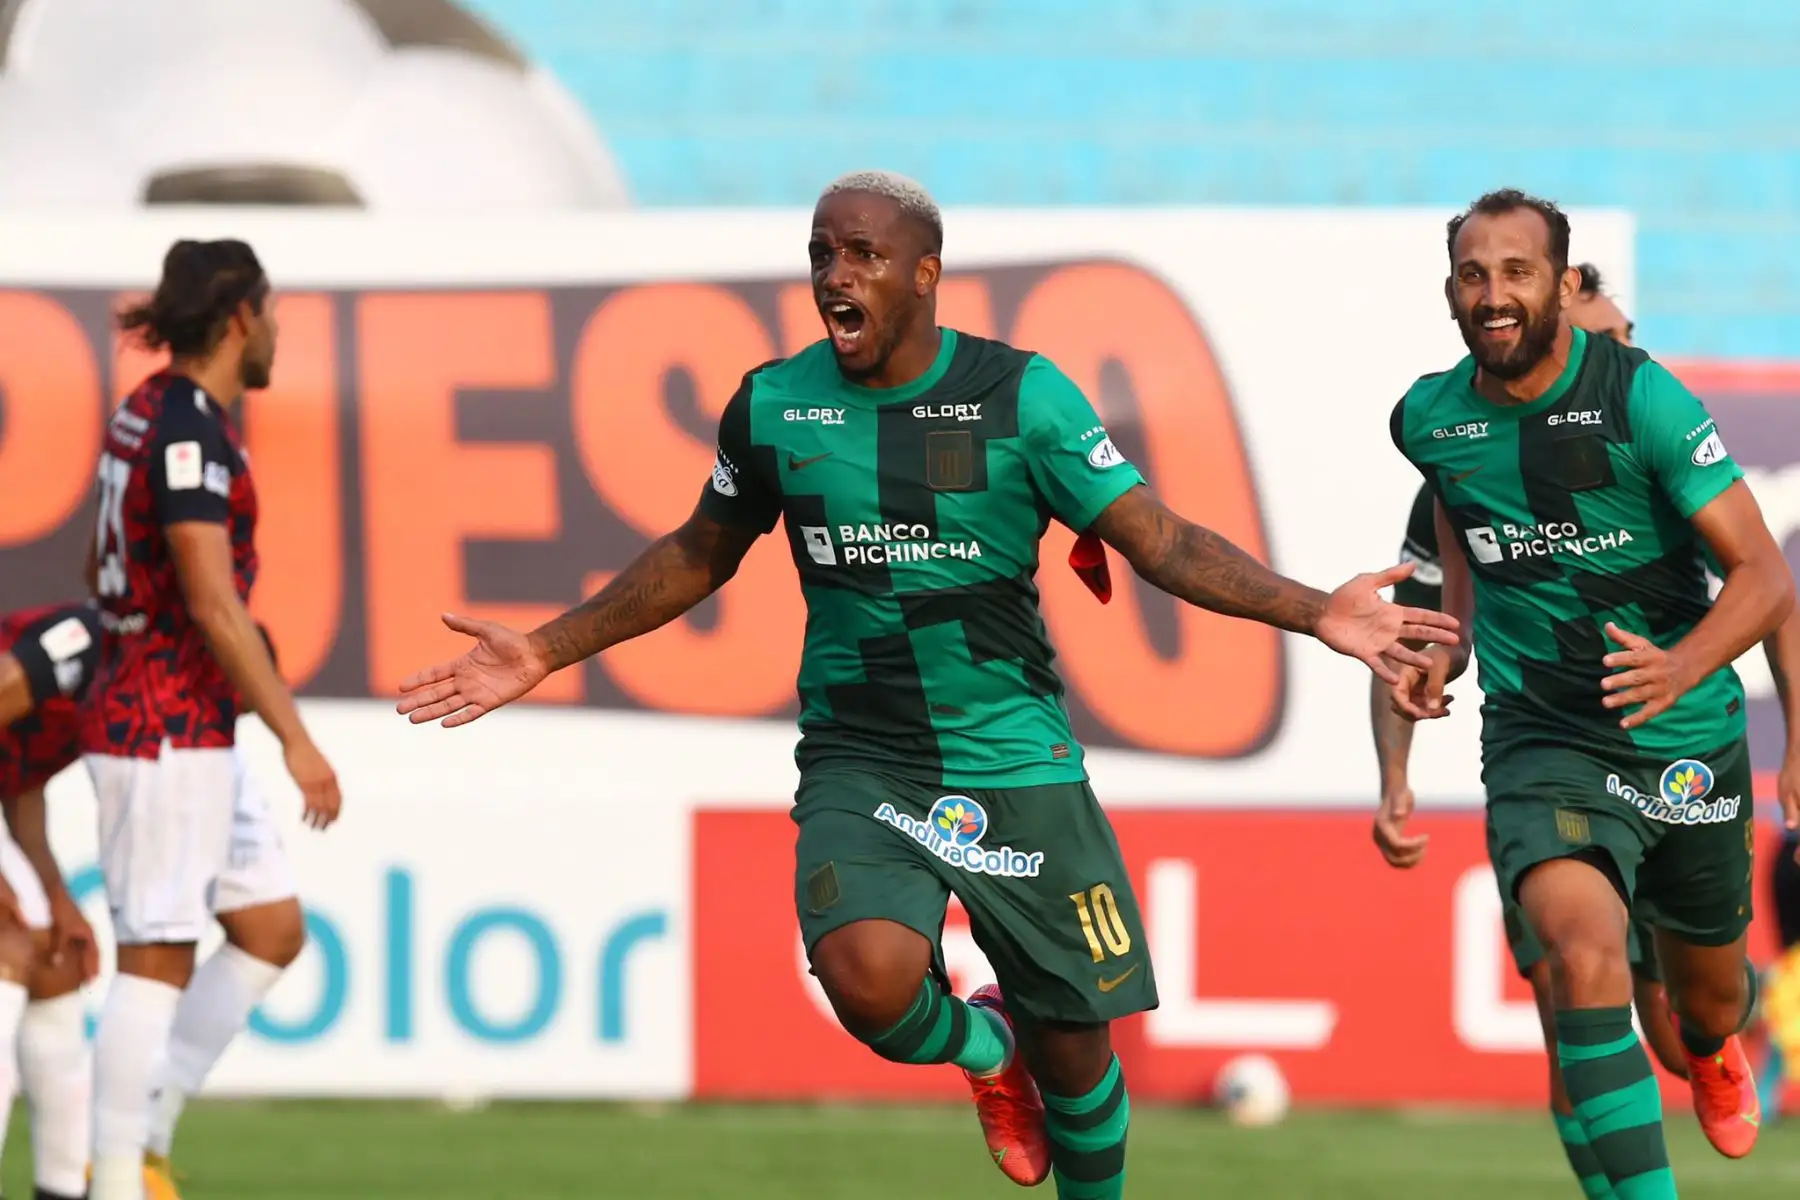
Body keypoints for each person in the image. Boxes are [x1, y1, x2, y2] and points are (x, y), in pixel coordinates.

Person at [396, 169, 1460, 1199]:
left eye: (863, 253)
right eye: (822, 253)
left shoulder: (1021, 397)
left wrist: (1315, 609)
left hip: (1009, 750)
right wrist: (544, 648)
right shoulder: (772, 407)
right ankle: (984, 1046)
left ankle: (1042, 1070)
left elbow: (1161, 540)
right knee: (867, 982)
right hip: (866, 755)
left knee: (1080, 1051)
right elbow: (698, 554)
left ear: (924, 273)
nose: (835, 274)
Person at [1389, 188, 1795, 1198]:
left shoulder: (1642, 397)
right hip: (1545, 741)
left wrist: (1683, 665)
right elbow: (1458, 538)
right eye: (1473, 273)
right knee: (1579, 958)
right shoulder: (1428, 421)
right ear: (1450, 291)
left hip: (1683, 731)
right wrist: (1458, 643)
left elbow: (1767, 579)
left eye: (1516, 271)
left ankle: (1713, 1041)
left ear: (1560, 286)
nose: (1493, 293)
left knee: (1704, 1006)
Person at [80, 239, 341, 1200]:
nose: (275, 331)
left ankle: (142, 1137)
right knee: (154, 962)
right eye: (270, 311)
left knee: (270, 929)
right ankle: (112, 1181)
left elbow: (96, 568)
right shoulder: (188, 431)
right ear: (240, 316)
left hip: (188, 723)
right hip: (160, 727)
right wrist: (297, 738)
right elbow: (211, 599)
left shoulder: (143, 409)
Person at [0, 601, 105, 1200]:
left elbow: (19, 780)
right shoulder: (85, 643)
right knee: (9, 945)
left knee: (58, 959)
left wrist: (56, 894)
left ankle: (64, 1190)